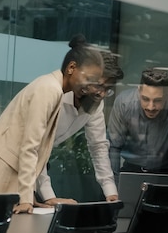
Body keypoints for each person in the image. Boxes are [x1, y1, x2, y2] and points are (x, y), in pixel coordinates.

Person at [0, 34, 104, 214]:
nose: (91, 87)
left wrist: (31, 197)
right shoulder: (48, 89)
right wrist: (26, 199)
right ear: (71, 68)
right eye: (88, 78)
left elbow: (38, 149)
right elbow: (30, 147)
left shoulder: (55, 90)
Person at [35, 53, 125, 206]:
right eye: (99, 85)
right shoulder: (55, 95)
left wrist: (110, 191)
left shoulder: (95, 104)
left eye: (107, 89)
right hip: (15, 162)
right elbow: (36, 147)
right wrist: (48, 196)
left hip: (35, 166)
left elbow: (98, 146)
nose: (101, 93)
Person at [107, 68, 168, 183]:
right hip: (131, 171)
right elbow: (113, 147)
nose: (150, 107)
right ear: (139, 91)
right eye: (145, 99)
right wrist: (114, 185)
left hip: (167, 173)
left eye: (158, 100)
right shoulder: (124, 103)